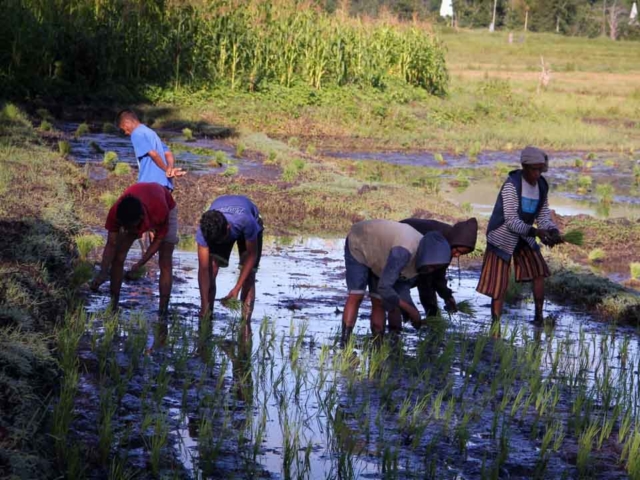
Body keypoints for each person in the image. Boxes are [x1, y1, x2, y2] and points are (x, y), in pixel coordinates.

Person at [476, 146, 562, 325]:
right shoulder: (511, 185)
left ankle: (538, 317)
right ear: (524, 166)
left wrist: (552, 230)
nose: (537, 174)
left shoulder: (542, 186)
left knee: (539, 272)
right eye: (534, 169)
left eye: (541, 169)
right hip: (502, 236)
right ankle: (495, 326)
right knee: (499, 281)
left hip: (525, 234)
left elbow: (543, 214)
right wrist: (536, 232)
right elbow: (511, 221)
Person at [341, 219, 453, 344]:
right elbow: (385, 288)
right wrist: (412, 311)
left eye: (435, 268)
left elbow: (399, 289)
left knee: (378, 301)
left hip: (382, 257)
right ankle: (344, 342)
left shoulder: (424, 259)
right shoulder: (404, 251)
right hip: (360, 242)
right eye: (432, 267)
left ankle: (378, 344)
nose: (431, 270)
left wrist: (413, 316)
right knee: (356, 295)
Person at [90, 182, 178, 314]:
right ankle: (113, 305)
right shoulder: (116, 212)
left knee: (165, 261)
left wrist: (139, 264)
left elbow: (157, 242)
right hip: (139, 208)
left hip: (164, 203)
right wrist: (103, 272)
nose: (126, 230)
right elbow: (111, 244)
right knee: (119, 257)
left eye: (130, 227)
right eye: (124, 226)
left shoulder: (159, 211)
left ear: (141, 220)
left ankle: (163, 311)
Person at [196, 195, 263, 328]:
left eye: (222, 240)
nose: (221, 243)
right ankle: (207, 316)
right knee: (212, 268)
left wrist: (236, 288)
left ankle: (245, 325)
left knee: (249, 275)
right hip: (219, 226)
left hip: (247, 223)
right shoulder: (204, 230)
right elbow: (203, 269)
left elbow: (251, 256)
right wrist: (204, 304)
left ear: (228, 227)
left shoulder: (246, 221)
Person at [400, 217, 478, 317]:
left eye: (462, 254)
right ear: (455, 244)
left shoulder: (451, 244)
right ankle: (401, 323)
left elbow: (439, 274)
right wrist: (430, 314)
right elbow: (426, 279)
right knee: (403, 284)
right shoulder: (440, 243)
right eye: (458, 251)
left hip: (419, 248)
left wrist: (447, 296)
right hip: (403, 241)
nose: (457, 255)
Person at [115, 109, 185, 187]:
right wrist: (170, 169)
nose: (126, 133)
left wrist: (166, 170)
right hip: (165, 184)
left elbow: (153, 154)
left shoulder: (136, 134)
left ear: (127, 123)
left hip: (150, 183)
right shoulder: (151, 132)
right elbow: (168, 153)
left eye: (123, 129)